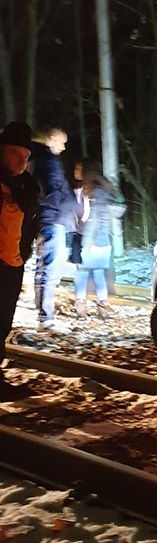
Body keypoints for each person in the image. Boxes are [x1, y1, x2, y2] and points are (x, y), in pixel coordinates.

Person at [0, 122, 39, 398]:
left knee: (3, 322)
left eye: (26, 156)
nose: (22, 160)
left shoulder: (27, 187)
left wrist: (23, 255)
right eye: (16, 153)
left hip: (12, 264)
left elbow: (30, 223)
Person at [30, 126, 81, 330]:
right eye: (61, 142)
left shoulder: (38, 160)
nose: (63, 147)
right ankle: (46, 318)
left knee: (43, 267)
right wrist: (74, 206)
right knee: (51, 269)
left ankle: (41, 312)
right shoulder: (50, 163)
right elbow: (53, 194)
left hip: (44, 220)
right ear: (51, 139)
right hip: (54, 219)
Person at [74, 167, 125, 319]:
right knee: (99, 275)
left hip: (91, 243)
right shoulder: (109, 195)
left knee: (81, 275)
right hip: (105, 244)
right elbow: (120, 208)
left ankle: (81, 308)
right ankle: (102, 308)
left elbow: (92, 222)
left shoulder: (91, 197)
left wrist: (87, 243)